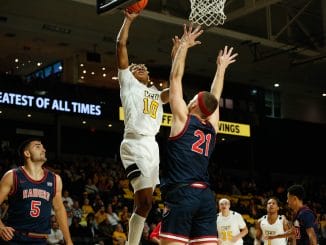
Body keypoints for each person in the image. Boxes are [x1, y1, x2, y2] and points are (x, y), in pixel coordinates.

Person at [159, 23, 238, 244]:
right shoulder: (212, 127)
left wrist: (184, 46)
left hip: (182, 193)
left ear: (193, 104)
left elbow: (175, 79)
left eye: (193, 97)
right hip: (205, 196)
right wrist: (221, 69)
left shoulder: (183, 119)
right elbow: (215, 96)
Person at [116, 10, 173, 245]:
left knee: (145, 204)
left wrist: (178, 54)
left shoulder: (157, 95)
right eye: (134, 66)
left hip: (152, 146)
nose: (139, 66)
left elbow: (176, 88)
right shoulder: (128, 84)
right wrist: (128, 21)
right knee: (145, 202)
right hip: (134, 143)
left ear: (148, 75)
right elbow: (120, 45)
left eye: (143, 66)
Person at [0, 138, 73, 244]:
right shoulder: (12, 175)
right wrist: (1, 227)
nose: (43, 150)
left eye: (43, 147)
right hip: (15, 238)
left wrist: (69, 241)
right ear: (27, 153)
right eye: (38, 146)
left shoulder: (55, 179)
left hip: (41, 239)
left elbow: (59, 209)